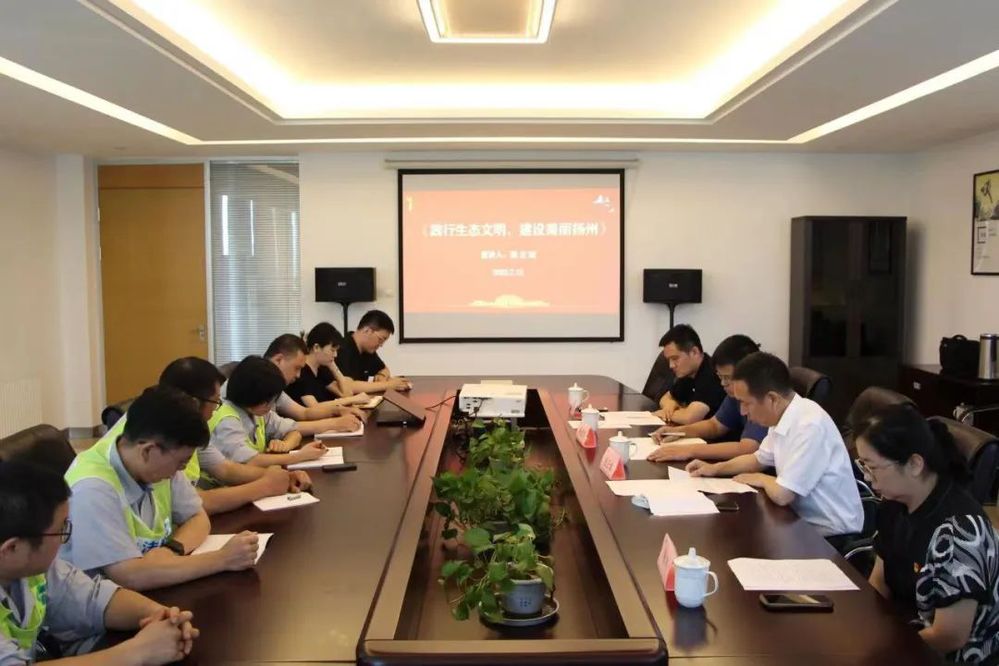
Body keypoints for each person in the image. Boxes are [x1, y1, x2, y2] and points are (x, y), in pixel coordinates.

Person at [0, 461, 200, 665]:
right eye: (61, 529)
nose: (65, 538)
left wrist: (161, 615)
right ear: (12, 548)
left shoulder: (35, 567)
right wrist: (139, 651)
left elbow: (93, 599)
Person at [62, 387, 260, 592]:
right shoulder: (92, 489)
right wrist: (223, 559)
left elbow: (198, 517)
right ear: (148, 451)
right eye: (181, 462)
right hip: (100, 604)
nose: (181, 470)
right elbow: (129, 576)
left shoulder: (156, 463)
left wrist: (171, 550)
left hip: (151, 589)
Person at [856, 404, 999, 664]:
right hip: (904, 634)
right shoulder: (893, 504)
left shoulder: (959, 532)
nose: (867, 478)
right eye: (863, 465)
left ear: (914, 464)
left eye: (872, 467)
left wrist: (886, 649)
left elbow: (950, 636)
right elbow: (879, 583)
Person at [686, 352, 863, 541]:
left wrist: (761, 478)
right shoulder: (782, 415)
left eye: (746, 403)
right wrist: (714, 468)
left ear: (772, 399)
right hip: (797, 521)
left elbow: (783, 494)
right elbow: (757, 459)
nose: (743, 411)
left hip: (832, 536)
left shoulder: (809, 425)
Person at [157, 357, 311, 513]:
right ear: (194, 403)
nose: (216, 409)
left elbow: (225, 469)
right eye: (215, 401)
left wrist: (284, 477)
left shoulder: (192, 431)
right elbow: (196, 503)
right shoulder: (160, 444)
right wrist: (264, 486)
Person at [647, 334, 768, 462]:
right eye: (720, 377)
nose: (723, 383)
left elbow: (748, 448)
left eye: (727, 378)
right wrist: (677, 431)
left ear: (749, 372)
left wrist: (689, 450)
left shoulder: (763, 396)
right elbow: (714, 426)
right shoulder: (734, 395)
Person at [210, 356, 329, 467]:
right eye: (268, 401)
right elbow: (249, 461)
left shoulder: (257, 411)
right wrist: (300, 456)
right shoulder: (226, 420)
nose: (271, 406)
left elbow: (293, 431)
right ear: (252, 394)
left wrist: (285, 445)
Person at [260, 334, 364, 433]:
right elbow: (284, 426)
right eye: (296, 368)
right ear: (278, 360)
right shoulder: (257, 386)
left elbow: (304, 413)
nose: (298, 375)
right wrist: (334, 423)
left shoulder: (276, 390)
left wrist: (338, 411)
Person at [654, 324, 727, 425]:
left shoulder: (711, 374)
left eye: (675, 358)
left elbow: (689, 418)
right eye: (669, 360)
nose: (671, 365)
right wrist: (670, 405)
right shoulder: (688, 374)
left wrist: (664, 413)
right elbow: (665, 398)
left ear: (694, 352)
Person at [285, 322, 367, 407]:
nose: (335, 355)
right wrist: (354, 399)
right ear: (316, 347)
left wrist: (334, 368)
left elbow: (346, 394)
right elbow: (314, 407)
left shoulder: (322, 369)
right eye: (332, 350)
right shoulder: (301, 371)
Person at [333, 310, 412, 395]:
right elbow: (348, 386)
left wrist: (381, 376)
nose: (381, 345)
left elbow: (384, 369)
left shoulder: (367, 350)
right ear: (367, 330)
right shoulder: (342, 349)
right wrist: (387, 385)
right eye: (380, 339)